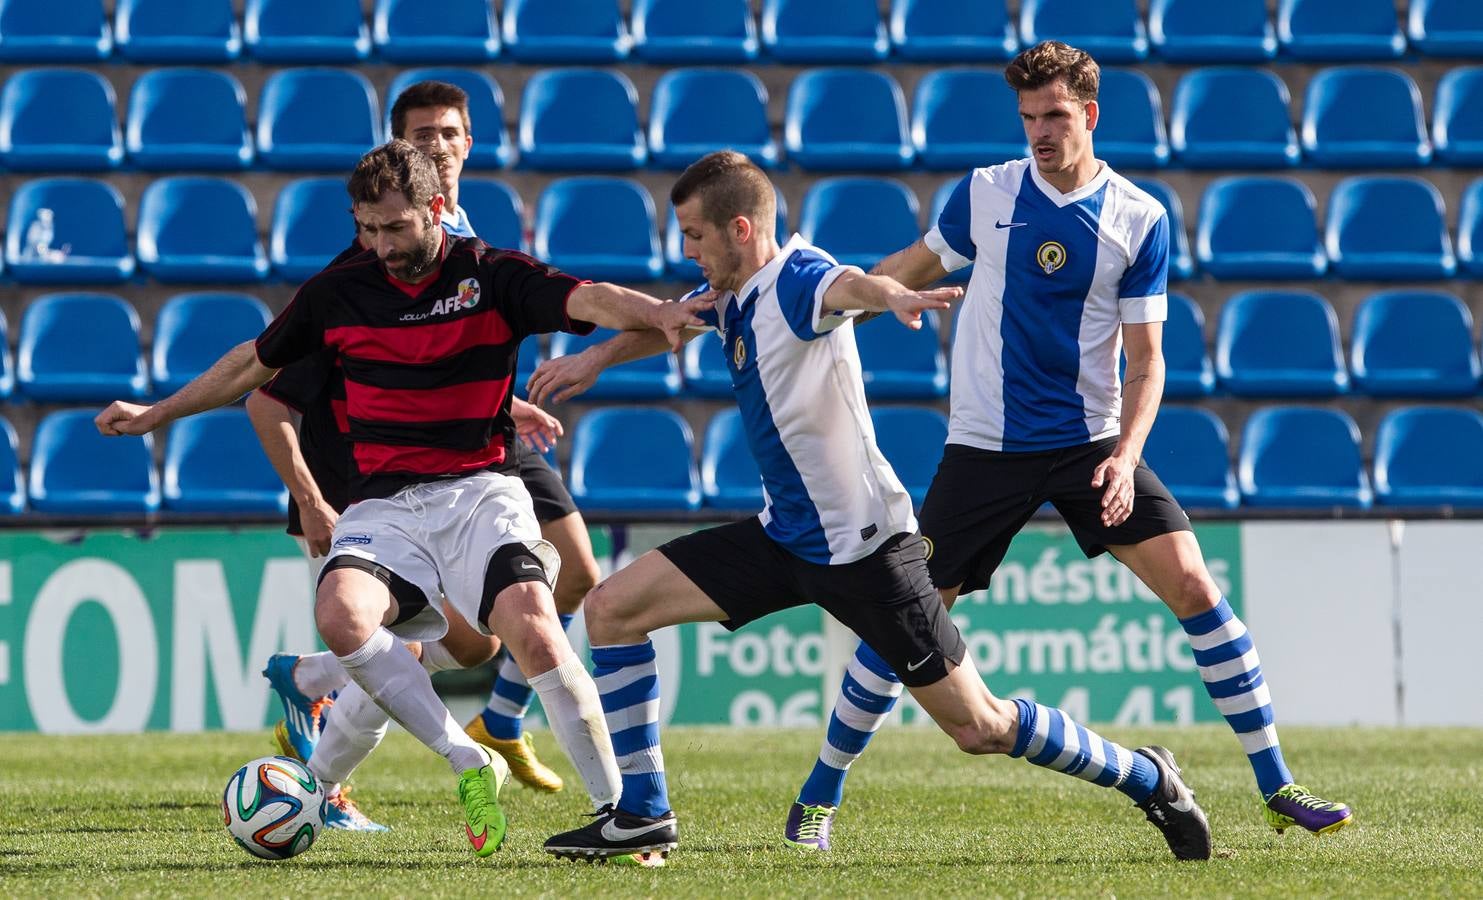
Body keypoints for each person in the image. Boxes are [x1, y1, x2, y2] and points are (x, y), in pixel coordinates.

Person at [534, 150, 1213, 864]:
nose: (686, 252)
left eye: (694, 237)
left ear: (739, 229)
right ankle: (643, 814)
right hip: (783, 540)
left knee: (979, 727)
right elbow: (674, 321)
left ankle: (1147, 777)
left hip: (867, 556)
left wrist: (888, 295)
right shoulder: (734, 289)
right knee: (611, 611)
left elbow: (844, 287)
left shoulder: (797, 279)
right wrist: (593, 360)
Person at [771, 40, 1351, 848]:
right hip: (984, 450)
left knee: (1192, 585)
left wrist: (1123, 453)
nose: (1038, 132)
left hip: (1090, 445)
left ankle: (1277, 784)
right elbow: (904, 267)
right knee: (906, 618)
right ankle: (817, 799)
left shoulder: (1137, 217)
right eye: (1027, 117)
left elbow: (1147, 362)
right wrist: (845, 305)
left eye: (1052, 116)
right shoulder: (985, 195)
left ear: (1089, 114)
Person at [96, 140, 711, 857]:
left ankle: (626, 817)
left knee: (530, 628)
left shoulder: (490, 274)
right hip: (383, 506)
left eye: (395, 228)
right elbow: (249, 368)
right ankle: (464, 757)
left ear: (436, 209)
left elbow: (588, 298)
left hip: (481, 493)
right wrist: (155, 413)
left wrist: (657, 311)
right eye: (367, 229)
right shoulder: (339, 289)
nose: (381, 246)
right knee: (340, 614)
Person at [251, 82, 599, 835]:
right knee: (387, 632)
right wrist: (311, 498)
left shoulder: (464, 240)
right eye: (422, 135)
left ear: (468, 144)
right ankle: (337, 782)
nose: (437, 146)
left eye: (449, 133)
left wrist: (507, 400)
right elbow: (268, 389)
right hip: (372, 464)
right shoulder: (366, 266)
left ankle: (317, 680)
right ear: (400, 150)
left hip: (468, 447)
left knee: (493, 622)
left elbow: (443, 348)